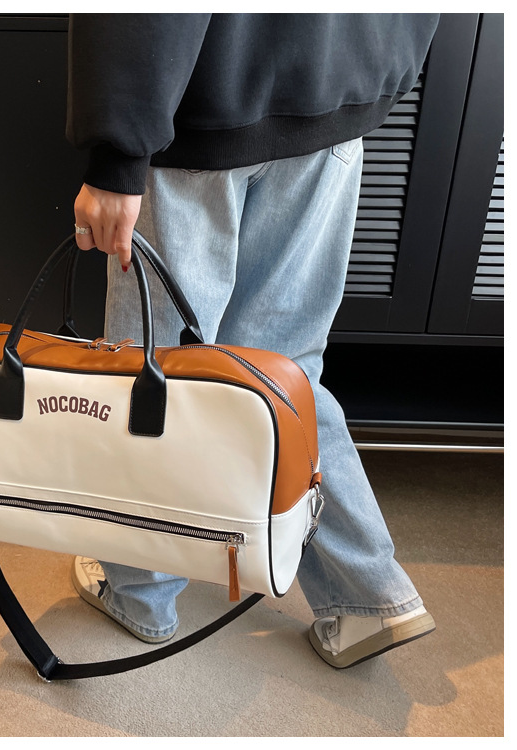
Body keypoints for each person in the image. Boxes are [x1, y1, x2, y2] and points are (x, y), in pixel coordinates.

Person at [65, 13, 440, 668]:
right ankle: (369, 596)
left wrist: (118, 155)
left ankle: (141, 593)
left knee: (155, 375)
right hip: (334, 98)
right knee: (283, 375)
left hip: (202, 115)